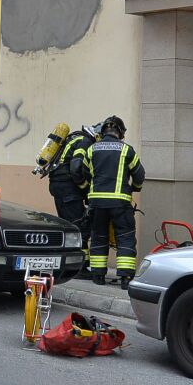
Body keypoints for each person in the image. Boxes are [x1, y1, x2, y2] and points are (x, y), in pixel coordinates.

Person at [71, 115, 145, 288]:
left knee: (99, 237)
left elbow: (84, 172)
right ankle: (125, 278)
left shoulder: (92, 149)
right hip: (120, 203)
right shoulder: (127, 150)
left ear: (103, 131)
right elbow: (139, 175)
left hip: (97, 204)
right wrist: (134, 187)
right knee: (125, 238)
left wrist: (89, 189)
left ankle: (98, 276)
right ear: (120, 132)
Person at [46, 123, 98, 229]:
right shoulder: (85, 142)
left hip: (57, 184)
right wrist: (85, 189)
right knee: (78, 226)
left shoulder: (74, 138)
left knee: (66, 224)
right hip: (68, 188)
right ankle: (80, 246)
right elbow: (76, 168)